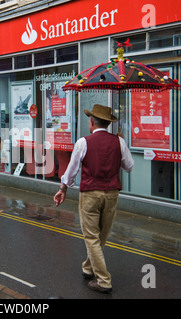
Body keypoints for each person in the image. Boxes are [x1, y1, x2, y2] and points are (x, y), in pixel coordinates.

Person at [54, 104, 134, 294]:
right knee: (101, 236)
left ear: (91, 122)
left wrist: (62, 189)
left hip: (90, 194)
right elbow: (129, 167)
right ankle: (88, 268)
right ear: (108, 123)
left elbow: (71, 171)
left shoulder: (83, 142)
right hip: (112, 193)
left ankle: (104, 281)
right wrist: (120, 147)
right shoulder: (119, 142)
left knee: (91, 237)